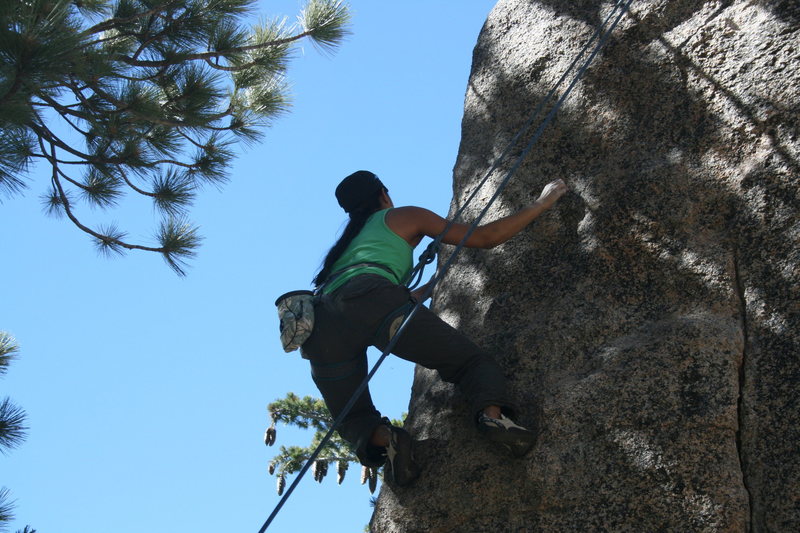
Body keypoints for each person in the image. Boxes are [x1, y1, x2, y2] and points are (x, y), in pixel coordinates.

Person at [301, 170, 568, 486]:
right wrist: (541, 203)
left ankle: (387, 440)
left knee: (352, 416)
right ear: (383, 195)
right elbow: (485, 238)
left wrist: (427, 288)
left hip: (320, 329)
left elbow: (354, 300)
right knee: (470, 363)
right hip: (376, 303)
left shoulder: (343, 250)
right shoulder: (402, 216)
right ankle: (492, 419)